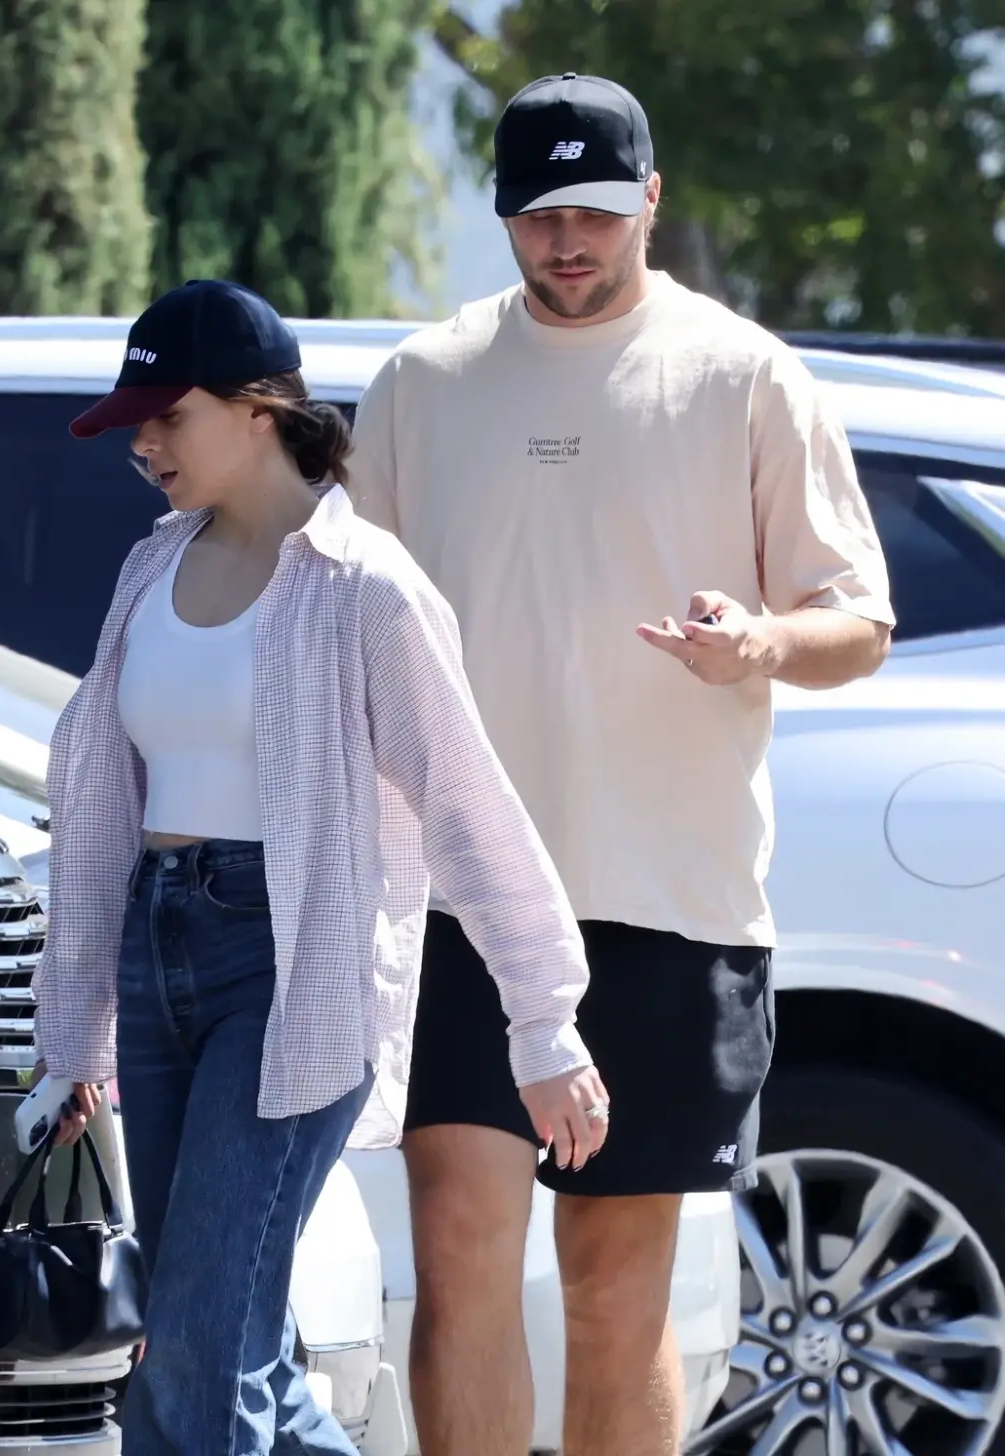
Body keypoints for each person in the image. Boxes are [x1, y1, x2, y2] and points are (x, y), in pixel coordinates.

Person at [348, 73, 895, 1456]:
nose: (567, 241)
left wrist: (760, 640)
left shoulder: (746, 374)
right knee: (461, 1252)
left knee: (610, 1287)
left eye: (595, 210)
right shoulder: (419, 386)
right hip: (462, 903)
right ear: (503, 219)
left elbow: (859, 623)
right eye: (537, 215)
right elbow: (342, 629)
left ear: (651, 199)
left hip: (669, 897)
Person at [28, 278, 609, 1456]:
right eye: (132, 423)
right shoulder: (149, 569)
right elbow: (98, 810)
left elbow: (468, 805)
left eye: (166, 416)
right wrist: (71, 1033)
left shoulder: (364, 589)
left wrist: (546, 1024)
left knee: (192, 1342)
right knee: (243, 1347)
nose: (143, 444)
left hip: (293, 973)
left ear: (257, 410)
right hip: (159, 952)